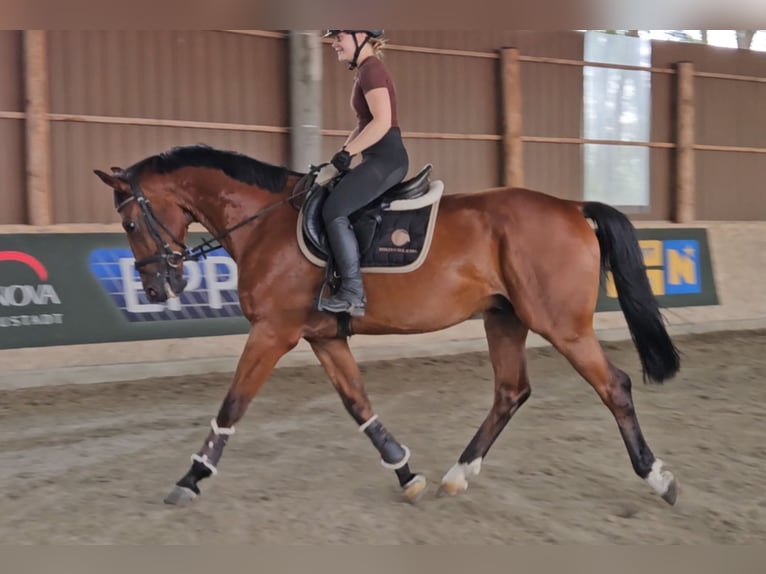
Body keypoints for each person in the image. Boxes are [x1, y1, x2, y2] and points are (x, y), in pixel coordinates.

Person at [319, 29, 409, 317]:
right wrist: (340, 156)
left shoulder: (372, 70)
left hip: (386, 159)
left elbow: (382, 122)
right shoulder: (364, 71)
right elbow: (363, 123)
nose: (333, 43)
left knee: (334, 210)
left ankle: (353, 294)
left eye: (339, 37)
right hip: (376, 157)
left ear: (360, 35)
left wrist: (349, 154)